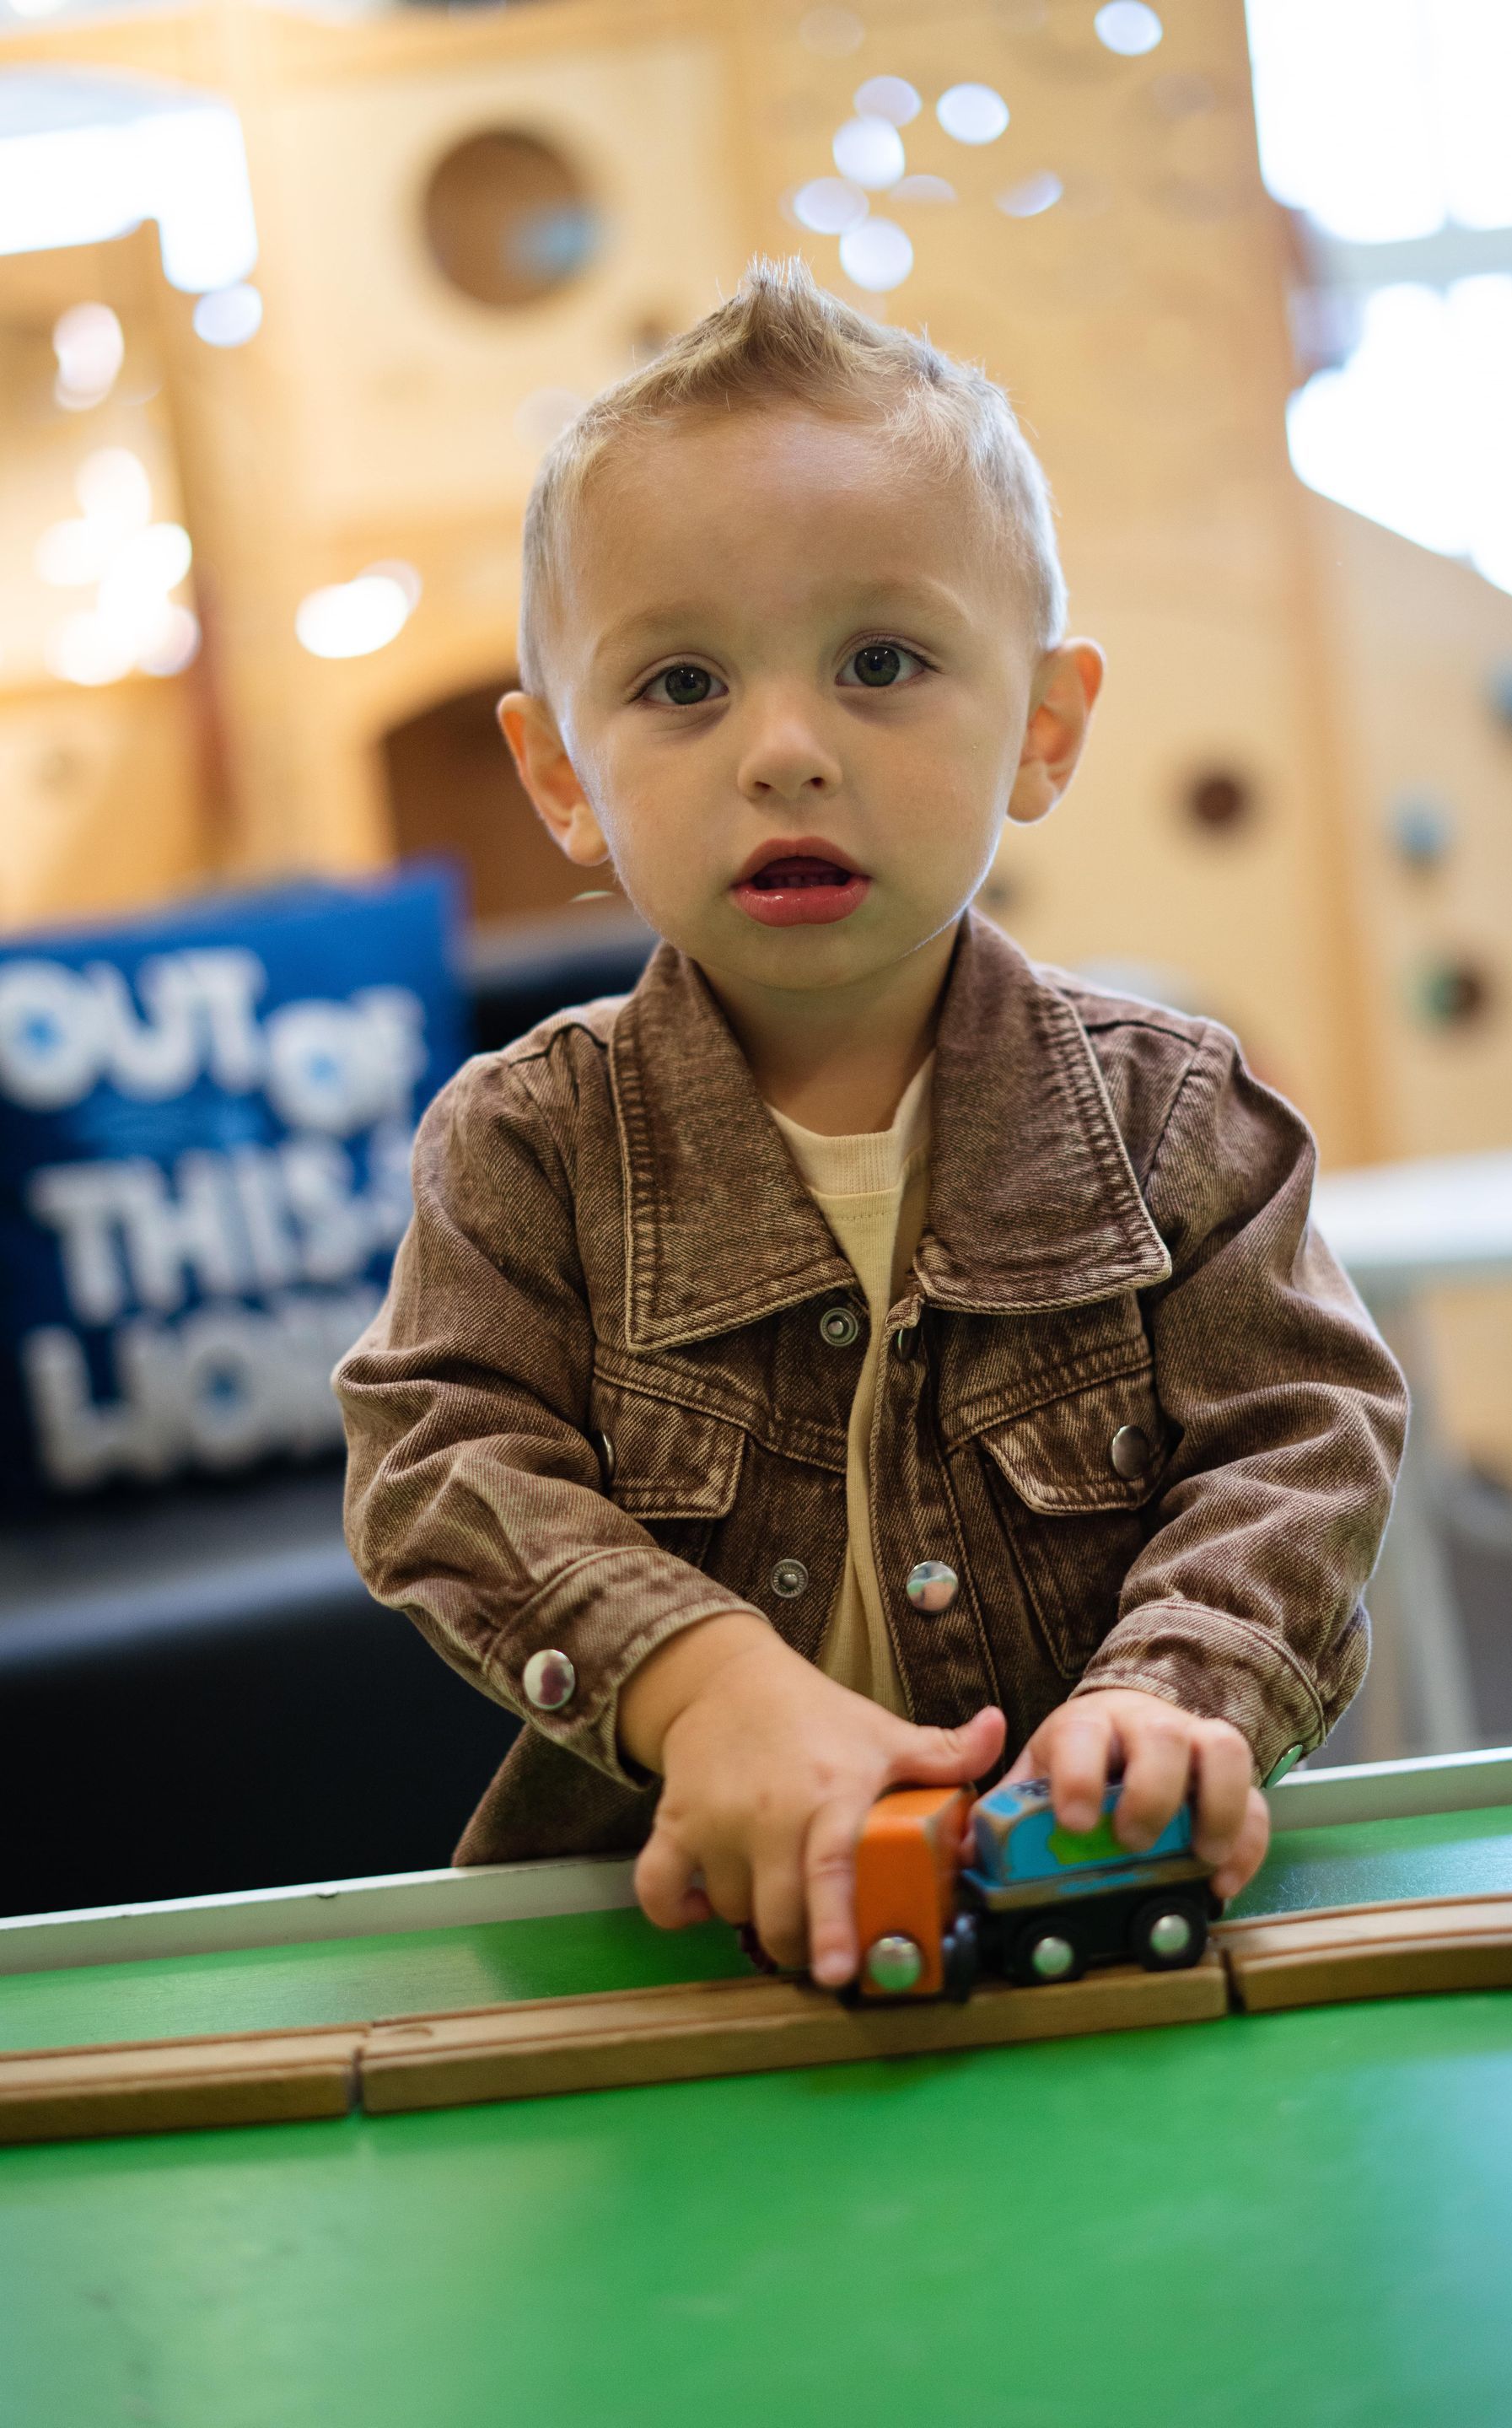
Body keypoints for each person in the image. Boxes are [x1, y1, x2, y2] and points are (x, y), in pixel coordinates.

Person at [336, 260, 1407, 1992]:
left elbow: (1300, 1434)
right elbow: (440, 1457)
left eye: (882, 661)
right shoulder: (524, 1144)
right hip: (671, 1953)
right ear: (559, 779)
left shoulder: (1182, 1120)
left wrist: (1175, 1685)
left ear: (1044, 728)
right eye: (679, 685)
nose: (782, 751)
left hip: (1101, 1919)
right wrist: (700, 1682)